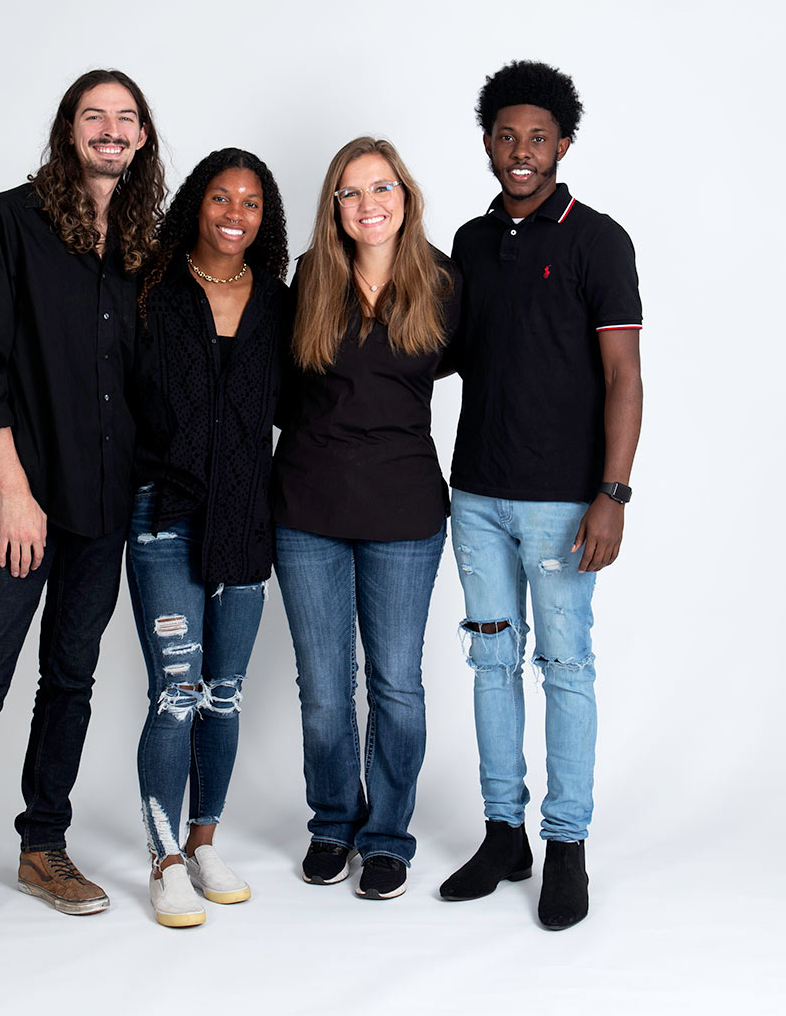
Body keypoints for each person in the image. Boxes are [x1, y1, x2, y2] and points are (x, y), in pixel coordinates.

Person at [0, 70, 165, 960]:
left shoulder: (141, 244)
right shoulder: (4, 222)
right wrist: (16, 491)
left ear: (141, 140)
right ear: (67, 130)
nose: (111, 129)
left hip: (105, 502)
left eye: (126, 118)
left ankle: (43, 847)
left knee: (72, 679)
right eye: (95, 114)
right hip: (17, 496)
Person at [439, 60, 643, 930]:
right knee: (491, 664)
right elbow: (441, 350)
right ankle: (503, 833)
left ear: (563, 144)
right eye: (506, 136)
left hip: (565, 503)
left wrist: (613, 492)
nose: (521, 153)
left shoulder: (598, 239)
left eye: (538, 138)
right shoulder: (471, 241)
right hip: (474, 497)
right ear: (487, 142)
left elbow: (624, 375)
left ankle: (566, 845)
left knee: (565, 667)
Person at [273, 137, 459, 900]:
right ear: (335, 207)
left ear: (405, 195)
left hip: (406, 509)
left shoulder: (444, 280)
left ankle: (387, 834)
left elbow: (488, 371)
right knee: (323, 687)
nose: (368, 203)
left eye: (381, 187)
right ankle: (333, 822)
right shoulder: (312, 274)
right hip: (308, 506)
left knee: (397, 685)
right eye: (351, 193)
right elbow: (281, 389)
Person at [128, 148, 289, 927]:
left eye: (251, 201)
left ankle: (203, 840)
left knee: (222, 695)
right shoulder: (152, 289)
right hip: (163, 514)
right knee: (176, 692)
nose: (235, 212)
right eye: (221, 197)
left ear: (266, 217)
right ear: (197, 203)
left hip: (246, 518)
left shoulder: (278, 303)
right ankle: (162, 860)